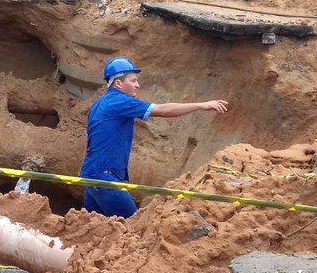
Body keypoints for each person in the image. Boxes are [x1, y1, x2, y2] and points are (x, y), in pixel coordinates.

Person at [80, 56, 229, 218]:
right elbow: (163, 110)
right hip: (104, 177)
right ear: (118, 84)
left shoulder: (99, 103)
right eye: (133, 80)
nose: (138, 85)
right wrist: (201, 105)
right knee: (133, 226)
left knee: (96, 228)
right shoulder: (120, 102)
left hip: (90, 174)